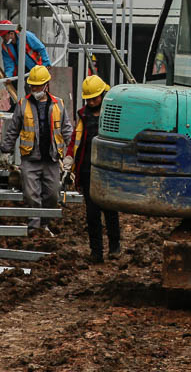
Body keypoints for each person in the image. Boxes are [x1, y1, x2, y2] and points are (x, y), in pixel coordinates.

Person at [0, 66, 73, 236]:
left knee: (52, 195)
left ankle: (44, 225)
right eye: (32, 86)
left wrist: (71, 154)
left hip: (51, 159)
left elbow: (68, 131)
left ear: (46, 85)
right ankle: (34, 229)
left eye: (38, 86)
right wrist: (6, 151)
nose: (34, 89)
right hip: (30, 159)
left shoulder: (58, 104)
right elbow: (13, 130)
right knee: (31, 195)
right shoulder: (23, 104)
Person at [73, 74, 121, 262]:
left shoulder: (112, 114)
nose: (92, 102)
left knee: (110, 211)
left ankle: (115, 246)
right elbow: (76, 141)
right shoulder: (82, 116)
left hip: (107, 170)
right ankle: (96, 252)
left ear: (103, 94)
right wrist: (71, 163)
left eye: (95, 98)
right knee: (92, 215)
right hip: (88, 171)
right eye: (89, 99)